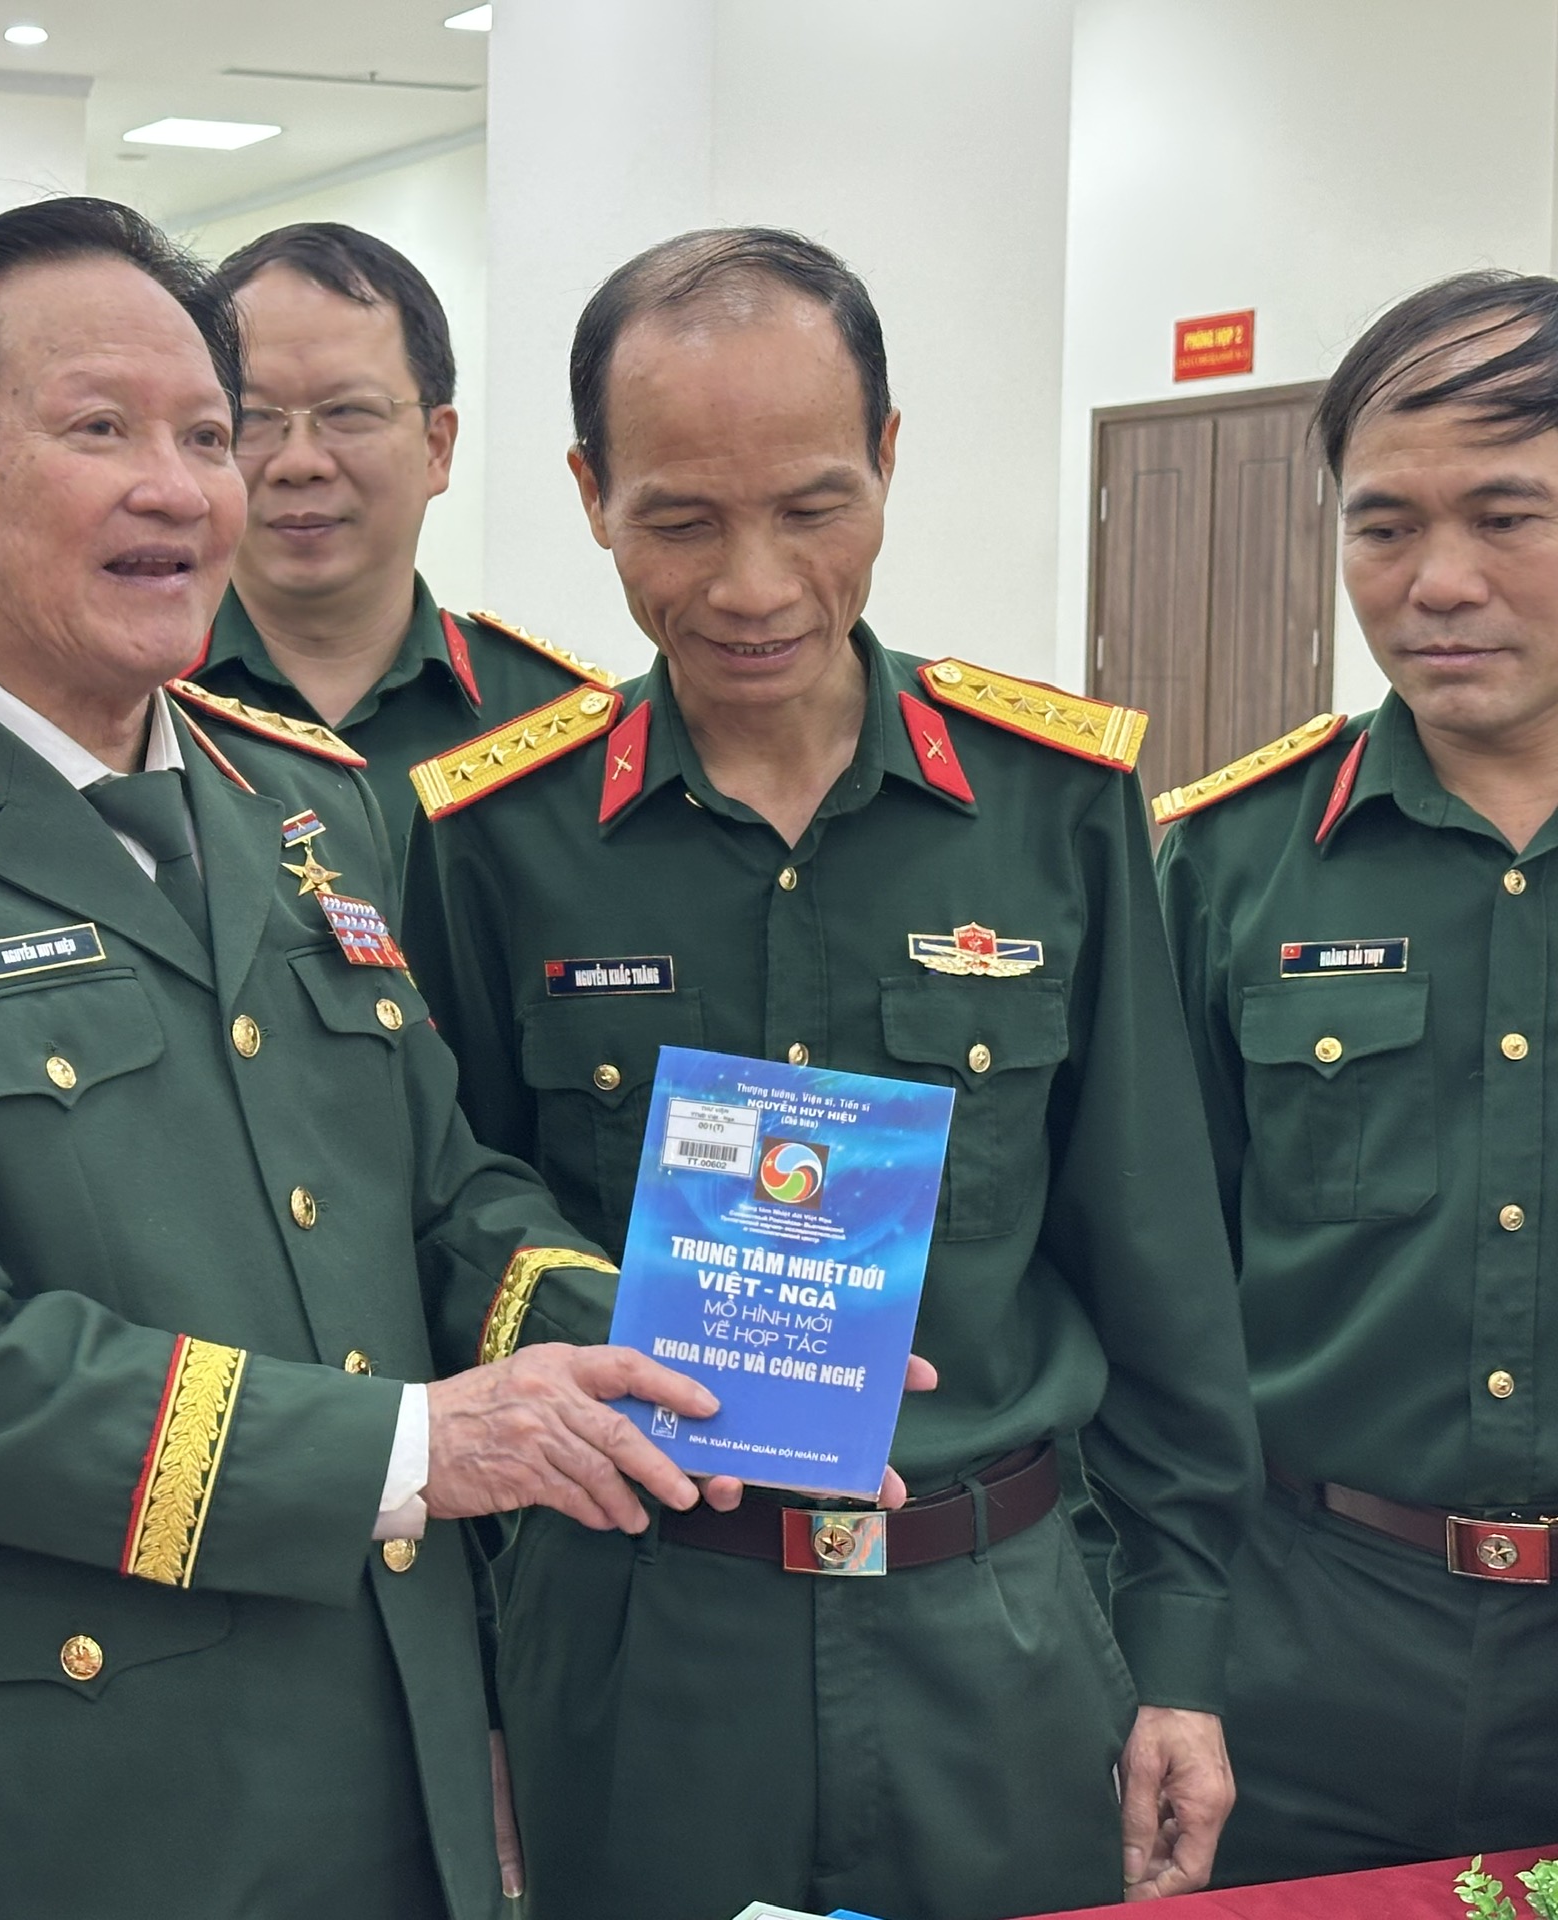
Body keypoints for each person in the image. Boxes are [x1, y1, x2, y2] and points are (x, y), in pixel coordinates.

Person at [0, 195, 732, 1920]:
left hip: (390, 1744)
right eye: (101, 431)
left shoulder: (306, 803)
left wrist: (674, 1334)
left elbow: (439, 1191)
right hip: (74, 1797)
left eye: (205, 436)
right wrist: (413, 1449)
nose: (183, 488)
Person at [399, 228, 1263, 1920]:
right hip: (639, 1645)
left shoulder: (1055, 804)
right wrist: (480, 1687)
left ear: (886, 460)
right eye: (679, 521)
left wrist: (1179, 1659)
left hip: (993, 1639)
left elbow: (1156, 1262)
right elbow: (442, 1232)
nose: (753, 586)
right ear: (590, 494)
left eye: (812, 507)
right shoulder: (497, 834)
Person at [1154, 268, 1558, 1880]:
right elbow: (1150, 1296)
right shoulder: (1226, 866)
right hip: (1312, 1653)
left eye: (1509, 517)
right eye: (1384, 527)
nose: (1439, 583)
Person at [186, 222, 616, 861]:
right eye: (250, 419)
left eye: (347, 412)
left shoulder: (565, 722)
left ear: (435, 447)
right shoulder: (125, 704)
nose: (299, 463)